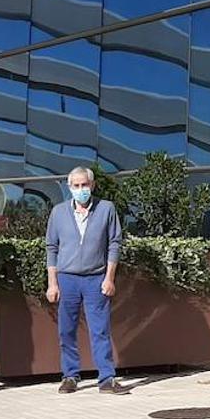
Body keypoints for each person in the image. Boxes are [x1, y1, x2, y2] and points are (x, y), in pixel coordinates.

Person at [45, 166, 129, 395]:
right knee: (66, 330)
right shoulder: (59, 212)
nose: (81, 190)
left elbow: (114, 243)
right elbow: (51, 247)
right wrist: (52, 283)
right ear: (69, 187)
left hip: (96, 278)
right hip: (67, 278)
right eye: (76, 186)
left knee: (100, 329)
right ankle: (70, 376)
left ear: (92, 185)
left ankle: (107, 378)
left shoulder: (106, 209)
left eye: (84, 185)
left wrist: (109, 278)